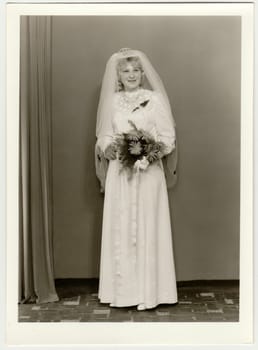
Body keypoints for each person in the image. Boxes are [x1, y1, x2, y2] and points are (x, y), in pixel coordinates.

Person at [95, 48, 178, 311]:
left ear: (143, 74)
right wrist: (107, 146)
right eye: (125, 70)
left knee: (147, 226)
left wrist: (149, 153)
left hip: (148, 175)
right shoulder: (112, 101)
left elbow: (167, 138)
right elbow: (104, 136)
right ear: (118, 75)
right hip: (120, 174)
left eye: (135, 70)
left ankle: (152, 292)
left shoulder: (154, 99)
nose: (131, 75)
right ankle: (121, 291)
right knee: (121, 228)